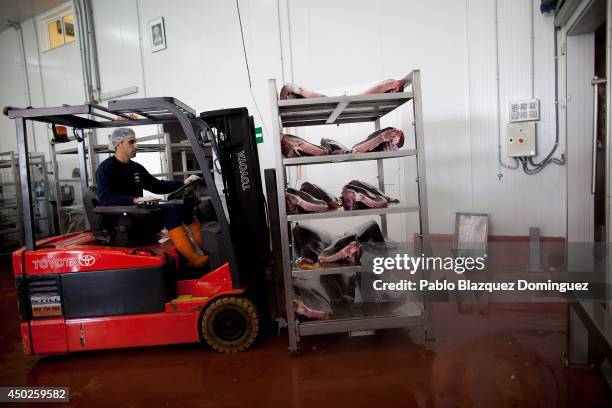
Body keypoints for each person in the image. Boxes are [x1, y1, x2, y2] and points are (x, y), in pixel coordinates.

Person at [96, 128, 207, 268]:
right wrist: (135, 200)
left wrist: (184, 183)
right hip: (123, 221)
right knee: (170, 209)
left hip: (138, 214)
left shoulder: (135, 168)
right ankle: (193, 259)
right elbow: (106, 197)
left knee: (183, 205)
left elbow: (157, 186)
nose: (136, 146)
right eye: (131, 142)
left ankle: (205, 250)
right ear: (118, 144)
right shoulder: (106, 168)